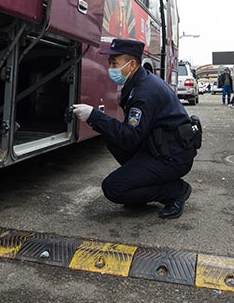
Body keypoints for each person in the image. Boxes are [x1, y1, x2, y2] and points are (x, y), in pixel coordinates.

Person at [71, 38, 198, 219]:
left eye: (114, 63)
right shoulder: (139, 82)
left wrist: (94, 116)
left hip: (172, 157)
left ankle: (176, 191)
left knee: (113, 188)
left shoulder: (144, 92)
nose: (110, 68)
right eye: (109, 63)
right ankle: (139, 188)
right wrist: (99, 121)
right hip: (158, 147)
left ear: (131, 65)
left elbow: (130, 137)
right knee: (111, 137)